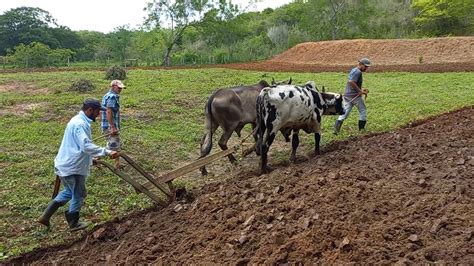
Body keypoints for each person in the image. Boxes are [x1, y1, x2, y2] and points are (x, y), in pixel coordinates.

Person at [38, 99, 119, 231]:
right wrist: (107, 152)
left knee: (70, 191)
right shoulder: (79, 124)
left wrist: (91, 158)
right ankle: (73, 223)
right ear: (90, 110)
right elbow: (85, 145)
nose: (98, 115)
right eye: (97, 112)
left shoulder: (77, 120)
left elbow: (79, 146)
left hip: (67, 163)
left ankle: (45, 216)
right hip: (72, 167)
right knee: (79, 193)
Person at [334, 58, 371, 134]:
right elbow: (351, 82)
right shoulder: (358, 72)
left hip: (347, 95)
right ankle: (361, 129)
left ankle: (336, 130)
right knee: (362, 110)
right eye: (365, 66)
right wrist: (359, 91)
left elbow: (352, 82)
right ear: (360, 64)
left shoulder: (354, 70)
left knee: (345, 112)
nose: (366, 68)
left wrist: (361, 89)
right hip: (355, 96)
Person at [102, 80, 125, 169]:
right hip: (110, 126)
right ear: (112, 86)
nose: (120, 89)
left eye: (121, 88)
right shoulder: (112, 97)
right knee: (114, 145)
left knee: (113, 143)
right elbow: (108, 111)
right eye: (118, 87)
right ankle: (96, 159)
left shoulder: (107, 95)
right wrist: (112, 127)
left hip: (107, 124)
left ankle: (117, 163)